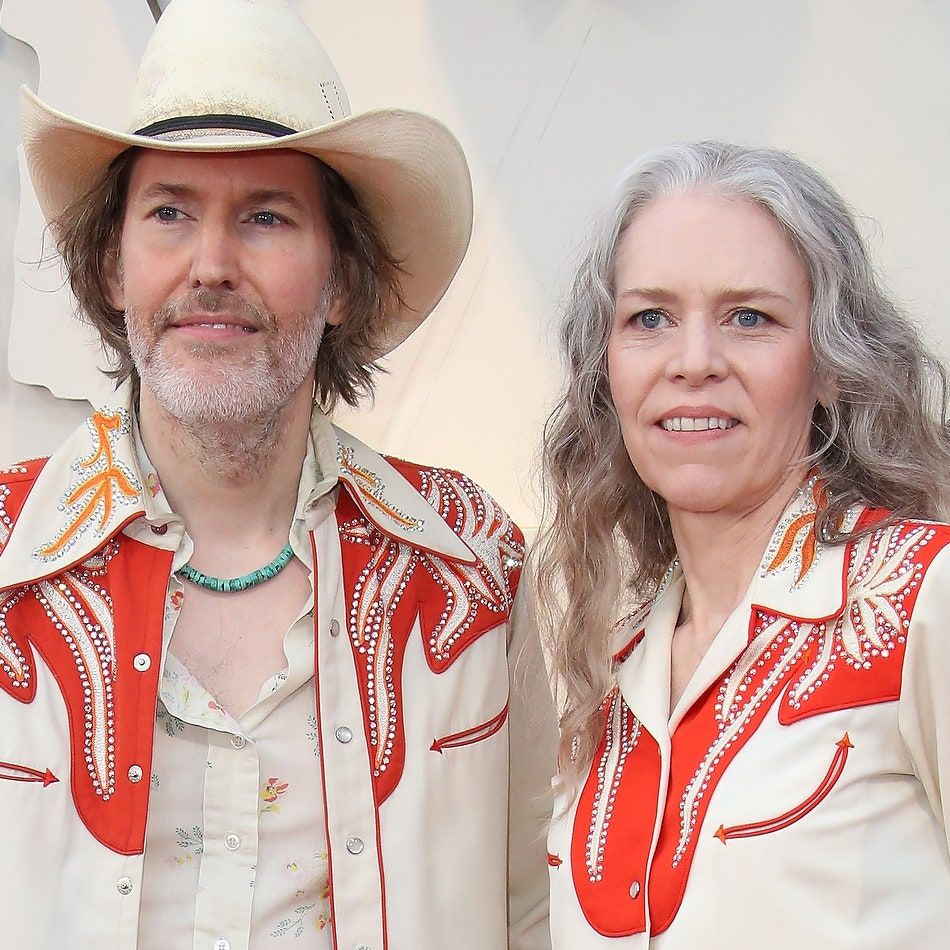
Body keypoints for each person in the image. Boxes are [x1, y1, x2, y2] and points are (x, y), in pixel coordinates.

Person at [0, 0, 554, 947]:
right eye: (170, 212)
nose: (211, 265)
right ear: (110, 267)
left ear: (342, 280)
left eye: (265, 217)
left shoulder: (472, 563)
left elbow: (530, 906)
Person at [536, 141, 950, 948]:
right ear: (607, 367)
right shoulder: (614, 675)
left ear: (829, 361)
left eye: (749, 317)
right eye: (649, 318)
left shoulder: (925, 599)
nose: (694, 363)